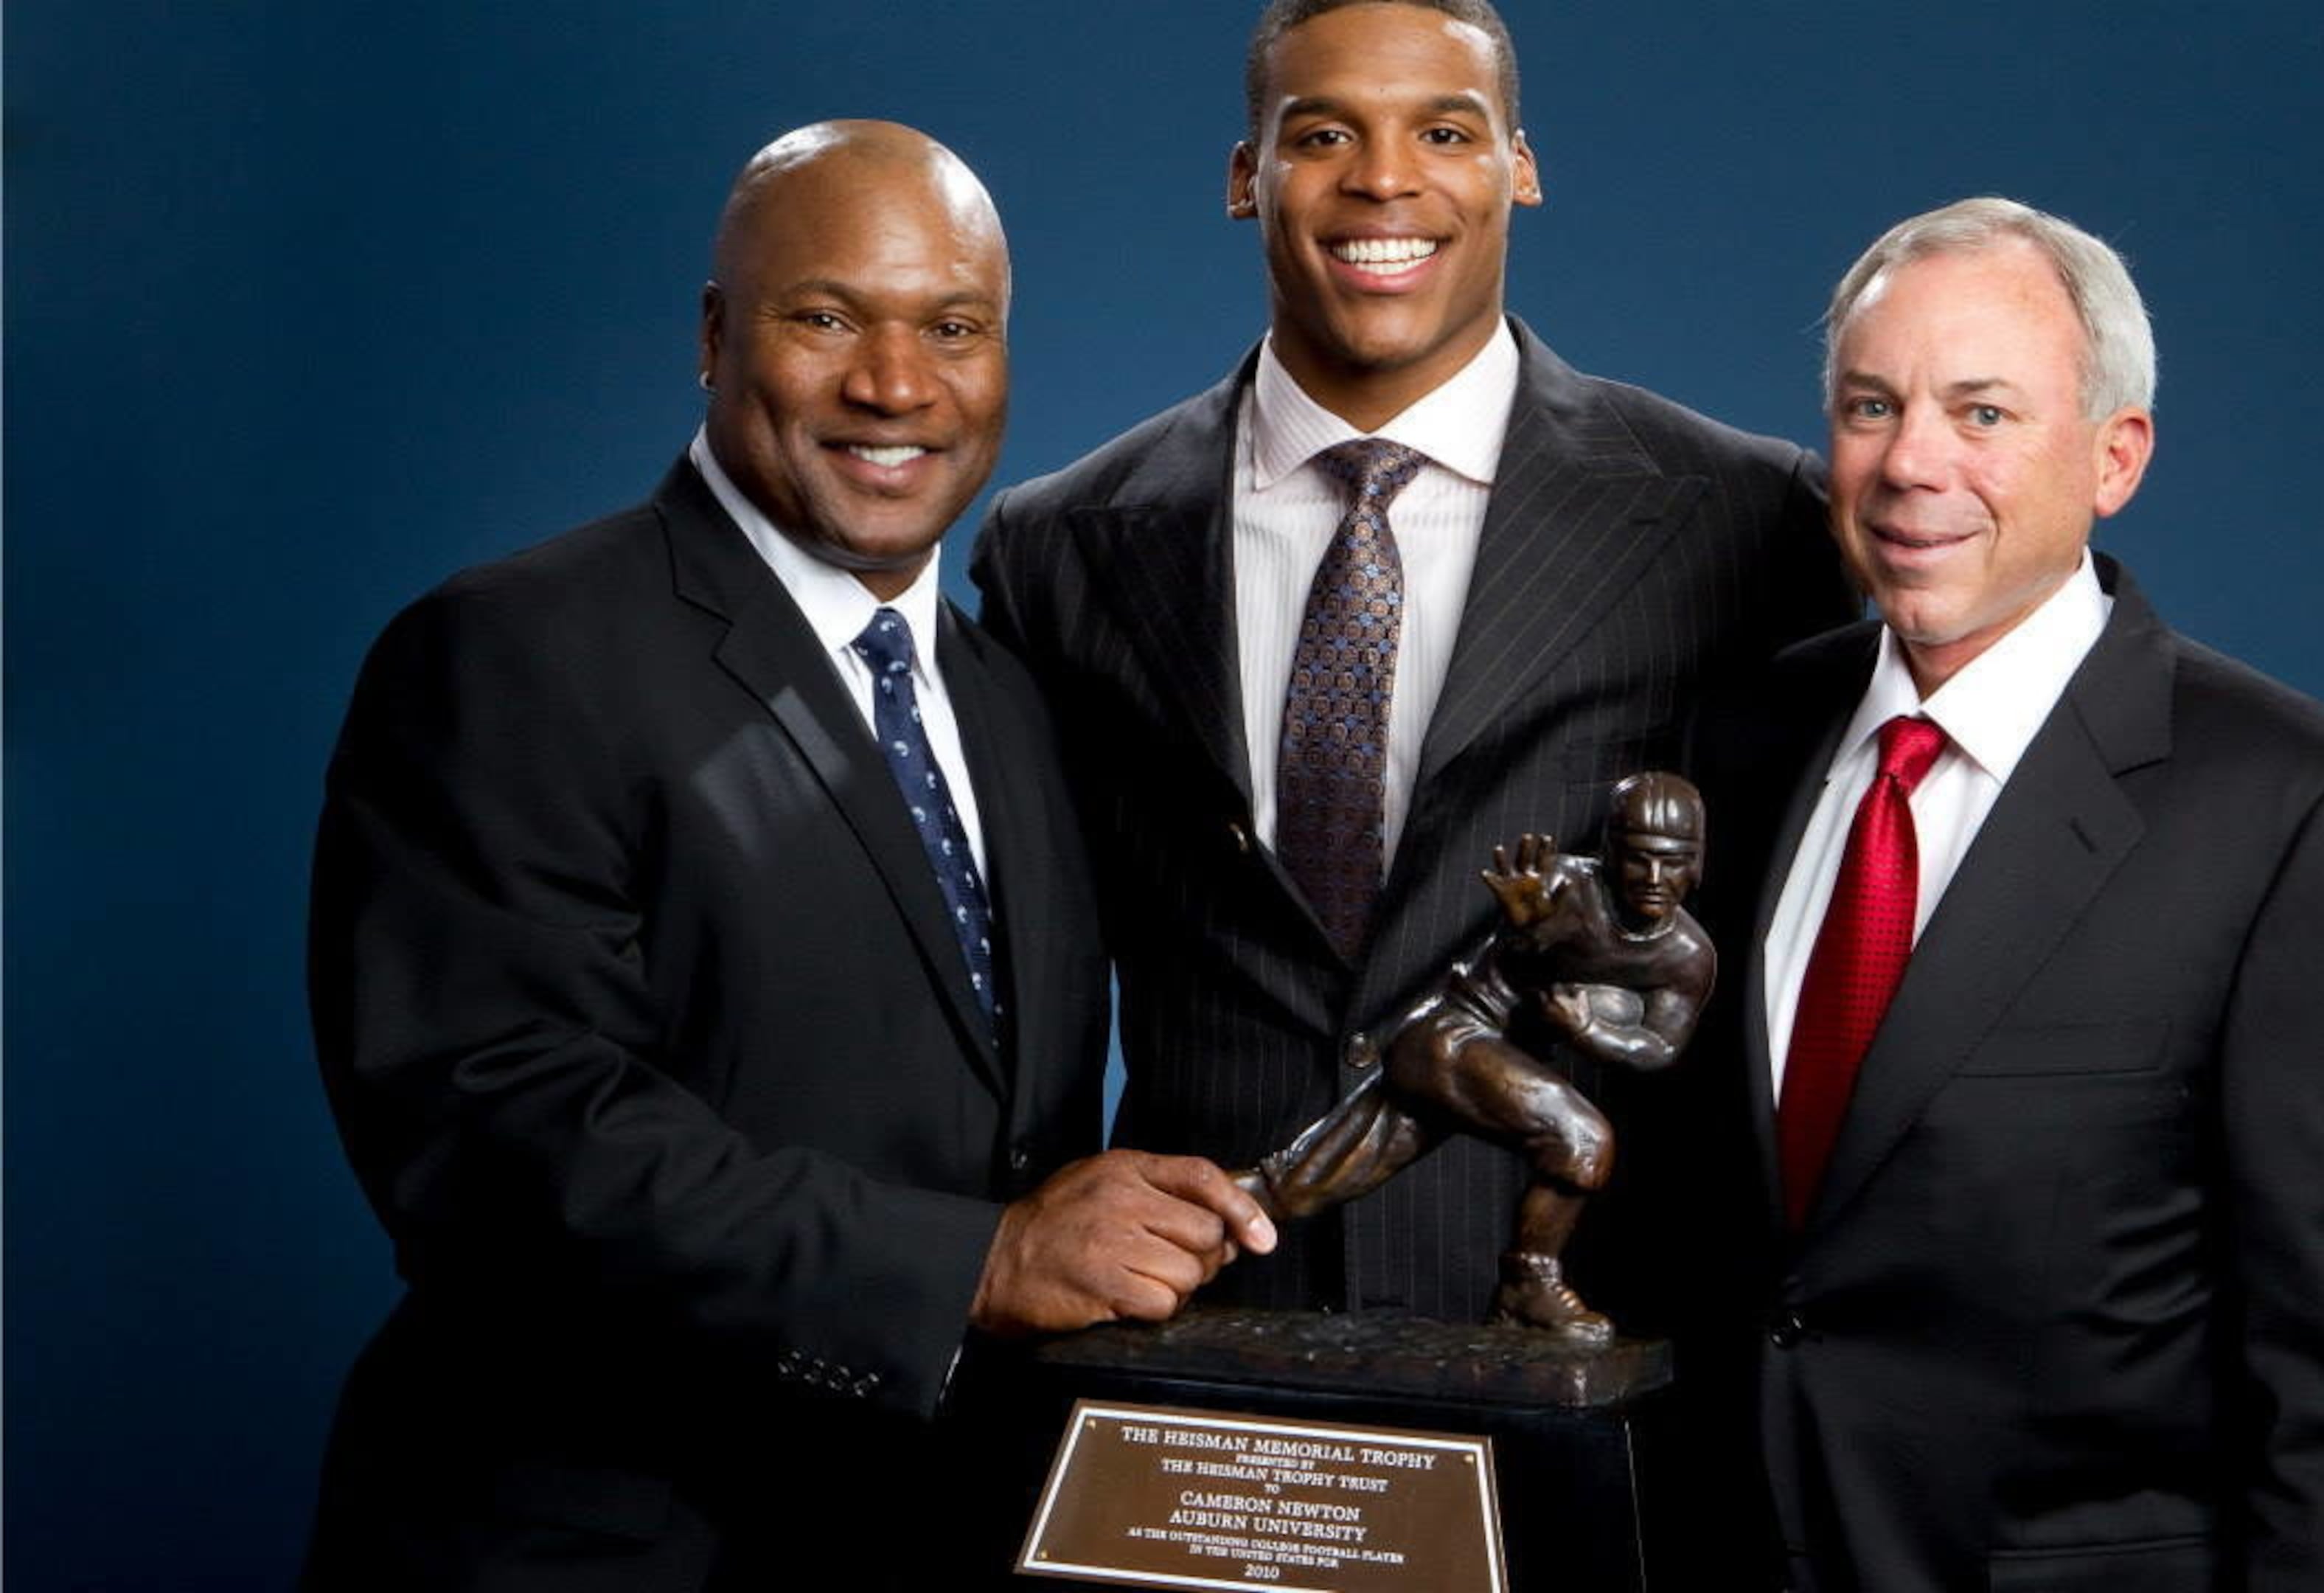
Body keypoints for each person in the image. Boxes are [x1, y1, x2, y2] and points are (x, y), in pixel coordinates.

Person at [303, 120, 1272, 1589]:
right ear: (715, 336)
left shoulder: (1013, 703)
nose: (896, 385)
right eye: (826, 318)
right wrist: (977, 1263)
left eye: (953, 328)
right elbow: (498, 1136)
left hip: (934, 1537)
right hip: (598, 1551)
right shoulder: (511, 652)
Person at [971, 0, 1850, 1325]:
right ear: (1247, 175)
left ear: (1519, 166)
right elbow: (1009, 971)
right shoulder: (1059, 546)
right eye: (1325, 134)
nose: (1385, 179)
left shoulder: (1745, 523)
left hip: (1591, 1344)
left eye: (1444, 131)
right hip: (1192, 1335)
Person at [1652, 198, 2324, 1589]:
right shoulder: (1737, 743)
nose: (1911, 463)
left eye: (1982, 413)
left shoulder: (2302, 816)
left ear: (2116, 458)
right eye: (1871, 406)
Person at [1236, 773, 1717, 1339]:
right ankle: (1528, 1284)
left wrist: (1590, 1031)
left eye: (1672, 862)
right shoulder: (1563, 887)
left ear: (1697, 862)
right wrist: (1531, 933)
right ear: (1611, 854)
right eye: (1639, 859)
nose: (1655, 879)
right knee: (1583, 1140)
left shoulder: (1687, 956)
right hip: (1452, 1038)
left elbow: (1660, 1047)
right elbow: (1524, 952)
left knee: (1308, 1180)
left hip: (1491, 1061)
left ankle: (1203, 1215)